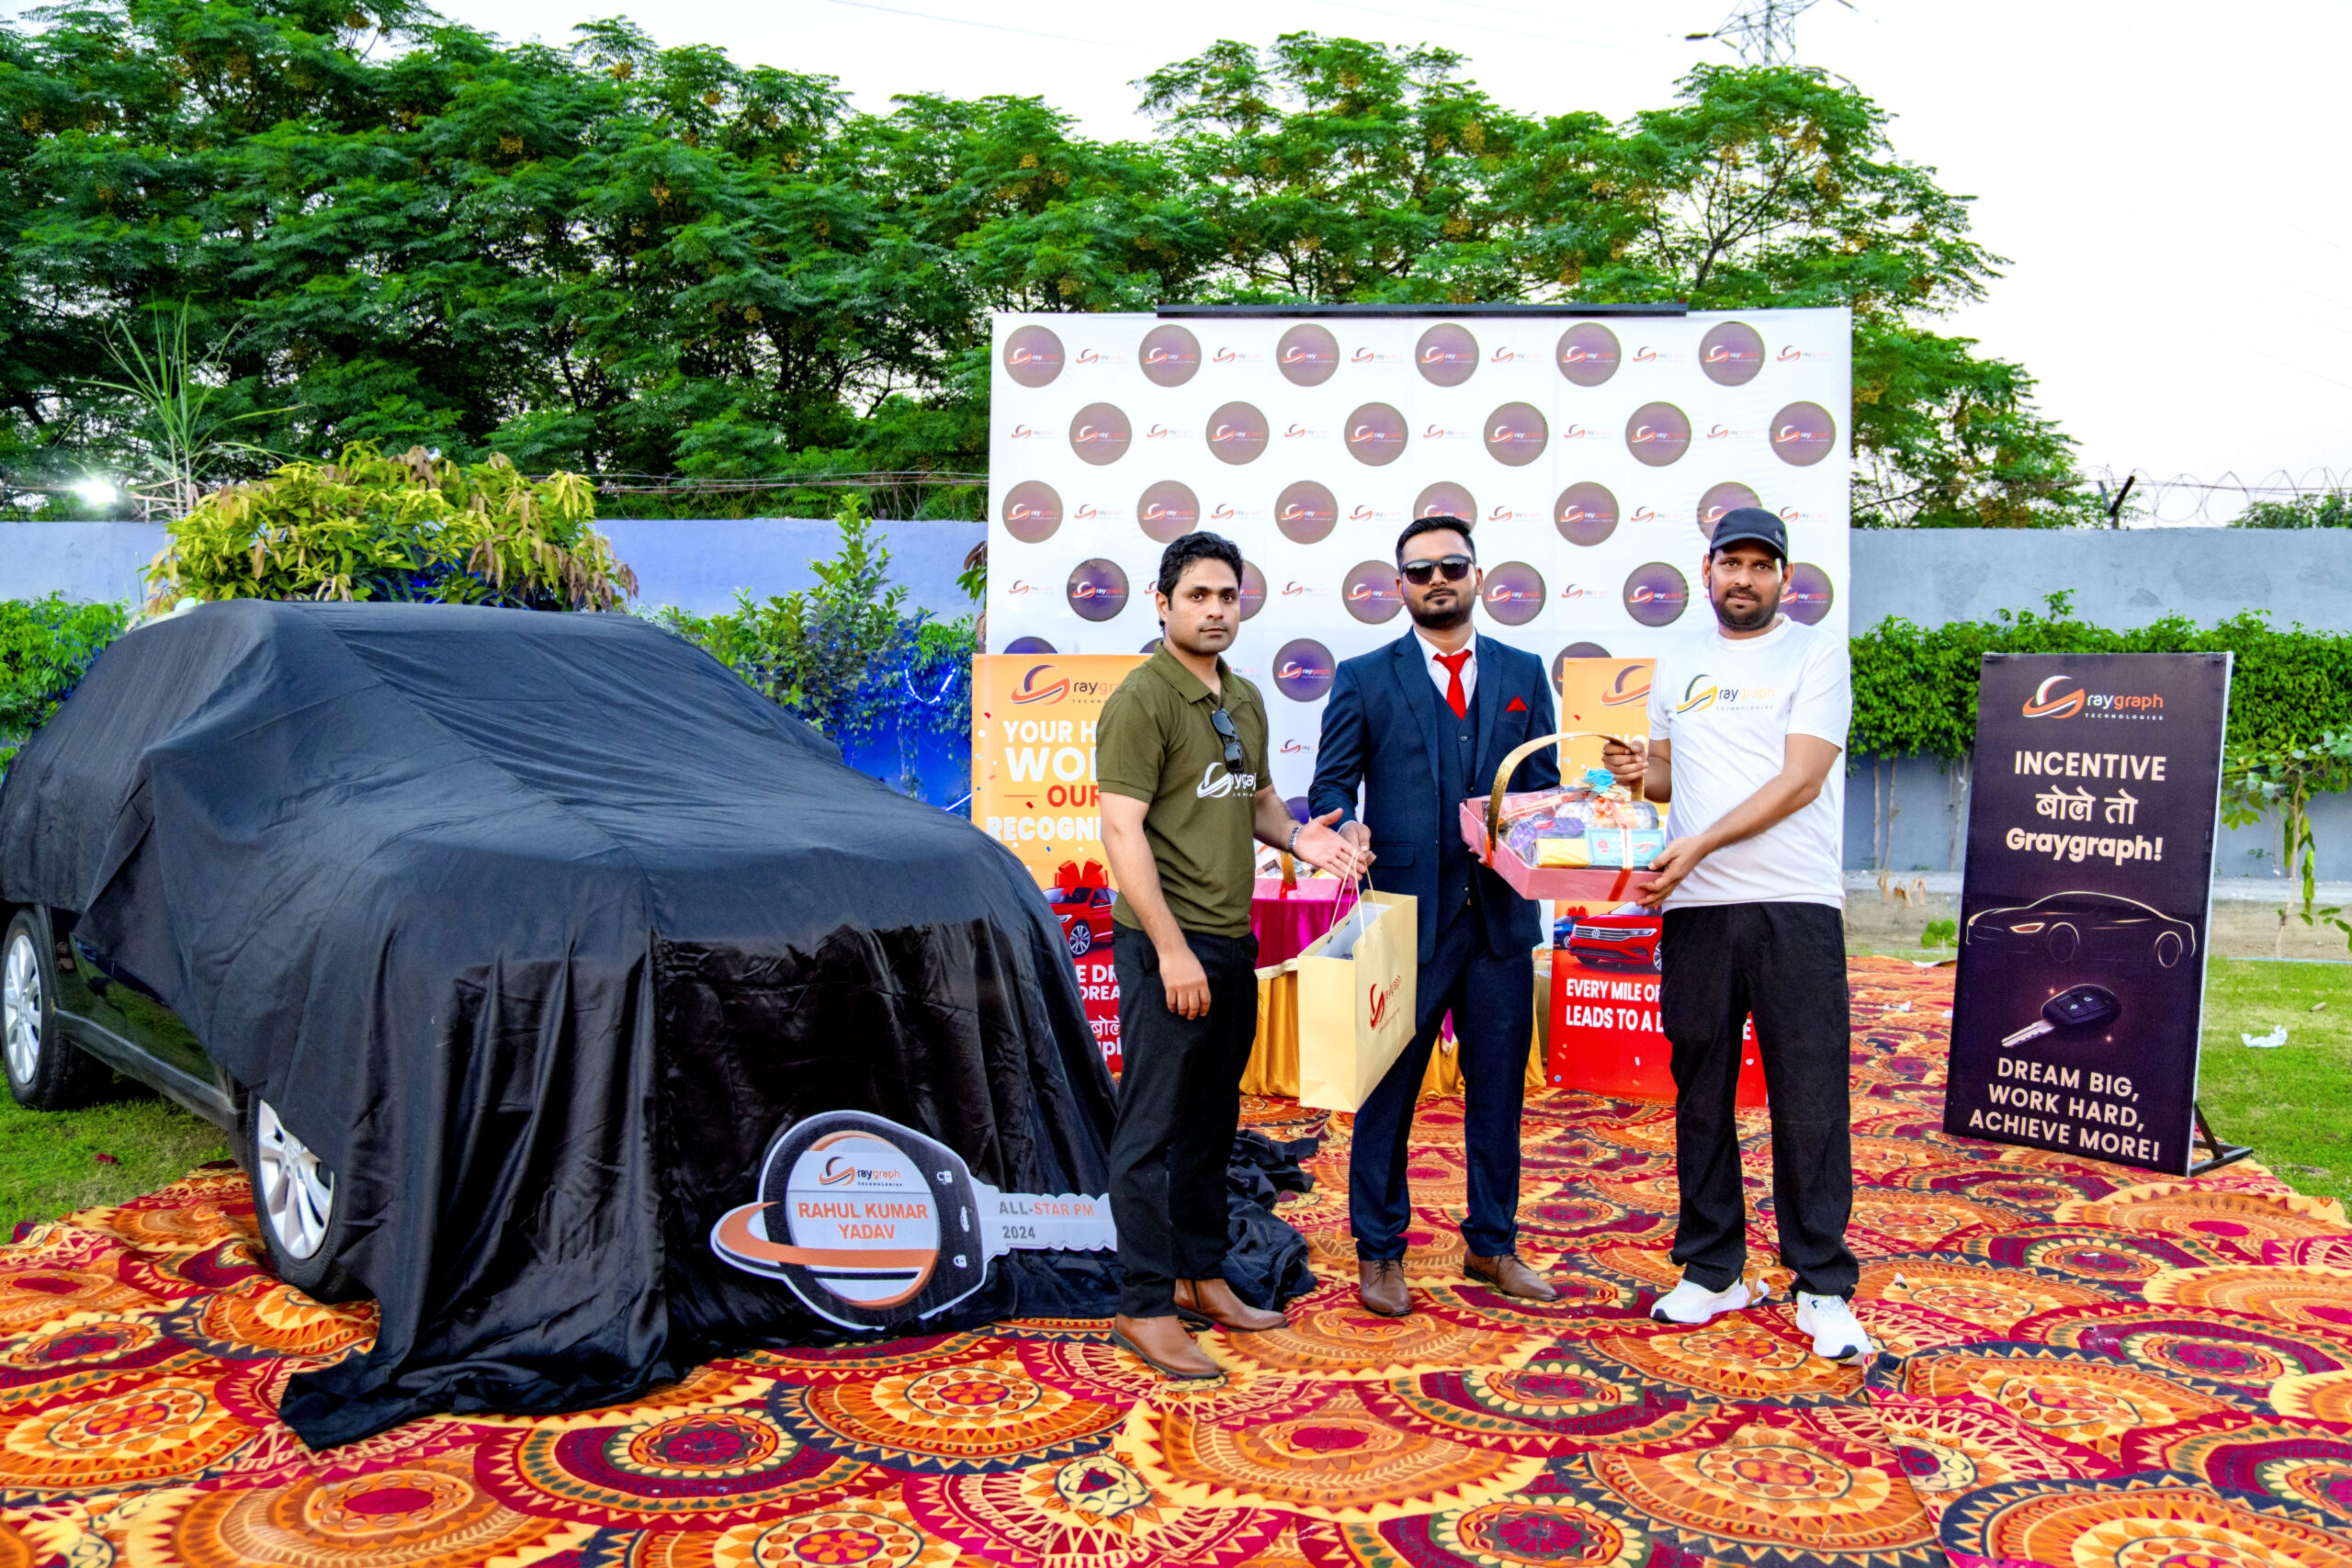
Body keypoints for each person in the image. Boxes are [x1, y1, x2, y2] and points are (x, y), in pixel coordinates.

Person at [1601, 507, 1871, 1363]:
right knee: (1700, 1091)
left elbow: (1800, 780)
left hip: (1795, 903)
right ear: (1707, 571)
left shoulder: (1816, 653)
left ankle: (1822, 1282)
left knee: (1810, 1095)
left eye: (1761, 565)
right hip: (1696, 909)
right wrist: (1638, 772)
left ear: (1784, 578)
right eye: (1731, 563)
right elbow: (1671, 776)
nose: (1744, 579)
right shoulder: (1677, 661)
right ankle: (1713, 1267)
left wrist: (1701, 843)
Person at [1097, 530, 1367, 1379]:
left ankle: (1200, 1274)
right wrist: (1171, 948)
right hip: (1165, 948)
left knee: (1212, 1125)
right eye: (1198, 596)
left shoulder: (1244, 696)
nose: (1216, 610)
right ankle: (1145, 1304)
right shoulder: (1142, 699)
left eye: (1228, 595)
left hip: (1229, 942)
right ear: (1163, 603)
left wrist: (1303, 840)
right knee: (1150, 1132)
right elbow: (1120, 830)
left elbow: (1257, 803)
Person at [1309, 516, 1563, 1318]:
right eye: (1420, 571)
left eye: (1452, 565)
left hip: (1499, 921)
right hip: (1404, 922)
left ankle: (1493, 1242)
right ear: (1399, 588)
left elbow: (1546, 783)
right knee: (1386, 1093)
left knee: (1500, 1093)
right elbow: (1330, 784)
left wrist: (1545, 822)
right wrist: (1347, 824)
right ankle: (1379, 1250)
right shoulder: (1363, 677)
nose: (1437, 580)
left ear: (1477, 576)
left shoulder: (1524, 672)